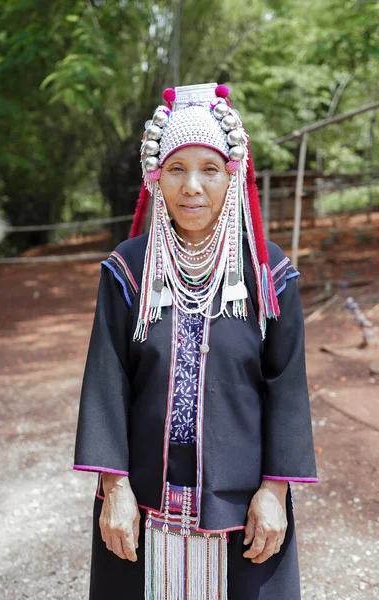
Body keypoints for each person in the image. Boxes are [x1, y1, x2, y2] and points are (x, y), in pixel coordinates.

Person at [74, 83, 317, 600]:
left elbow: (286, 386)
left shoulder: (266, 273)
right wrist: (113, 489)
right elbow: (106, 381)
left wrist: (275, 490)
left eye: (209, 169)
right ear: (155, 177)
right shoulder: (129, 270)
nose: (192, 187)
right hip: (143, 499)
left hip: (241, 503)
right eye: (177, 169)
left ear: (232, 176)